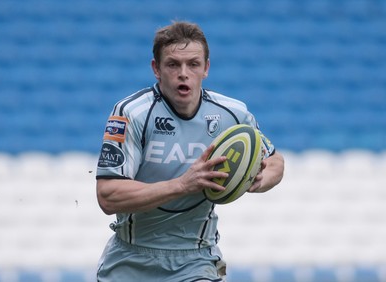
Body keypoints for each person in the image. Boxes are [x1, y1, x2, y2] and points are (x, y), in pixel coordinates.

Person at [95, 21, 284, 282]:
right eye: (173, 64)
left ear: (206, 68)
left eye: (193, 64)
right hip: (130, 260)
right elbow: (108, 196)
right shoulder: (132, 113)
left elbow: (274, 160)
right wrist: (183, 184)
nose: (183, 73)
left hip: (196, 259)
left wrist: (260, 178)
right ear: (156, 69)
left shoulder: (232, 115)